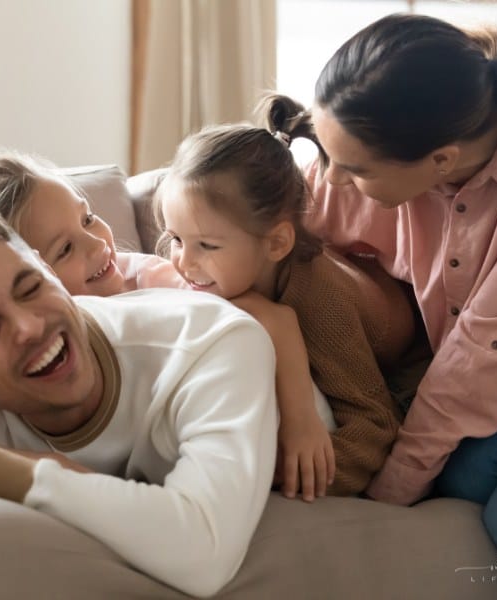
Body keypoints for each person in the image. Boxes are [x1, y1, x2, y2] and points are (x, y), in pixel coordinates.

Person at [280, 12, 497, 599]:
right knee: (466, 470)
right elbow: (287, 213)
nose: (334, 179)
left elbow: (488, 349)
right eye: (328, 154)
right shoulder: (405, 143)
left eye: (353, 169)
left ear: (442, 163)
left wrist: (384, 501)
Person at [0, 193, 278, 598]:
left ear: (46, 269)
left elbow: (204, 555)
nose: (28, 327)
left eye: (29, 288)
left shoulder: (211, 341)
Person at [0, 150, 338, 501]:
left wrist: (301, 420)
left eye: (89, 218)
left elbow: (272, 319)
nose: (97, 245)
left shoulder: (149, 279)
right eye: (65, 249)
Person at [151, 122, 417, 497]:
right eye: (176, 239)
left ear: (276, 244)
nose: (184, 262)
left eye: (207, 246)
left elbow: (376, 430)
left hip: (406, 374)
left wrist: (277, 470)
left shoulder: (322, 306)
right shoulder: (223, 270)